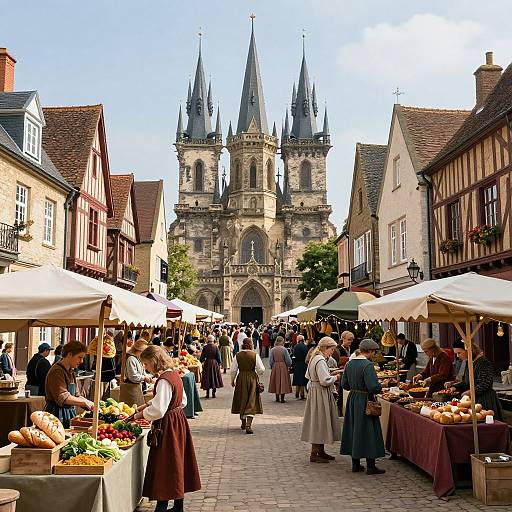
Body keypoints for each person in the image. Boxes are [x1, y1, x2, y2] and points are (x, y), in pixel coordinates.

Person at [135, 345, 201, 512]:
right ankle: (179, 506)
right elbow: (181, 400)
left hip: (168, 425)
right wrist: (148, 404)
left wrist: (139, 415)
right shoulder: (174, 375)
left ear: (153, 361)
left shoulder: (164, 379)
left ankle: (162, 508)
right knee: (177, 462)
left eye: (146, 364)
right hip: (178, 421)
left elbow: (159, 410)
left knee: (165, 465)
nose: (146, 367)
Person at [341, 338, 386, 475]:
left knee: (354, 429)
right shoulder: (367, 365)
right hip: (365, 399)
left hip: (353, 399)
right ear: (370, 351)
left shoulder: (349, 364)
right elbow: (373, 386)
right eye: (374, 352)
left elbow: (344, 385)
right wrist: (380, 387)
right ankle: (371, 466)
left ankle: (355, 464)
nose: (374, 354)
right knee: (368, 431)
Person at [301, 337, 341, 463]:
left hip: (316, 390)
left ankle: (320, 450)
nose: (332, 352)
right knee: (319, 421)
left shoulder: (315, 357)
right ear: (325, 348)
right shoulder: (320, 360)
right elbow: (324, 380)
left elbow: (309, 375)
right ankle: (314, 453)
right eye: (332, 349)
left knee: (320, 421)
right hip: (320, 392)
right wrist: (336, 377)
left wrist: (331, 372)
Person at [446, 340, 504, 420]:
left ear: (468, 350)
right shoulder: (469, 362)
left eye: (459, 353)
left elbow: (485, 384)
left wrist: (470, 392)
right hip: (473, 399)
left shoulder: (483, 363)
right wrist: (455, 387)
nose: (457, 356)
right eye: (456, 353)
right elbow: (467, 382)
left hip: (485, 399)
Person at [45, 341, 94, 428]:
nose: (82, 361)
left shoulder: (70, 372)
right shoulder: (57, 371)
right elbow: (63, 397)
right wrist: (84, 403)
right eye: (79, 357)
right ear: (69, 355)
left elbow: (77, 395)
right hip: (56, 415)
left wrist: (91, 403)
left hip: (69, 414)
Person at [230, 338, 265, 434]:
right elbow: (261, 369)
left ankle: (243, 422)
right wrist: (256, 372)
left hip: (241, 378)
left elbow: (233, 370)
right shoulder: (255, 355)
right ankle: (248, 425)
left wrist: (232, 380)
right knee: (251, 400)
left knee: (242, 399)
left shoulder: (237, 355)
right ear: (251, 345)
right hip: (252, 379)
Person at [120, 339, 152, 406]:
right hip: (132, 389)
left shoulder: (138, 359)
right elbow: (133, 377)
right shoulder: (131, 359)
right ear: (139, 350)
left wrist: (147, 376)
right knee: (134, 409)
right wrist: (144, 378)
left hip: (137, 387)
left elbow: (142, 373)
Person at [268, 336, 293, 402]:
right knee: (283, 381)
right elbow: (288, 360)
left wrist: (272, 366)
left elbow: (270, 360)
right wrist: (289, 365)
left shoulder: (272, 349)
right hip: (283, 366)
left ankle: (277, 397)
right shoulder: (284, 349)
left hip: (275, 366)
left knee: (276, 381)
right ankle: (282, 398)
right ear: (282, 341)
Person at [292, 335, 308, 400]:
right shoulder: (304, 346)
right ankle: (302, 394)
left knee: (297, 378)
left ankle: (297, 393)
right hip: (303, 363)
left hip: (297, 363)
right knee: (302, 379)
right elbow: (306, 355)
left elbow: (293, 355)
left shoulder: (295, 346)